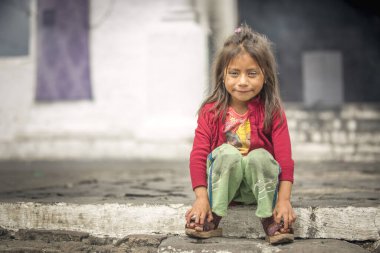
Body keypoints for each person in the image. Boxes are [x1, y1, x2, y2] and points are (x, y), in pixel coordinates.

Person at [184, 24, 296, 244]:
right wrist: (200, 199)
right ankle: (212, 216)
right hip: (224, 187)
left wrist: (284, 201)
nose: (243, 81)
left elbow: (285, 159)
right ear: (222, 75)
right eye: (234, 73)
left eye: (252, 73)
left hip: (260, 188)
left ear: (265, 76)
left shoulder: (272, 110)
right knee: (226, 153)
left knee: (260, 156)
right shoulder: (211, 110)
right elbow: (198, 155)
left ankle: (268, 217)